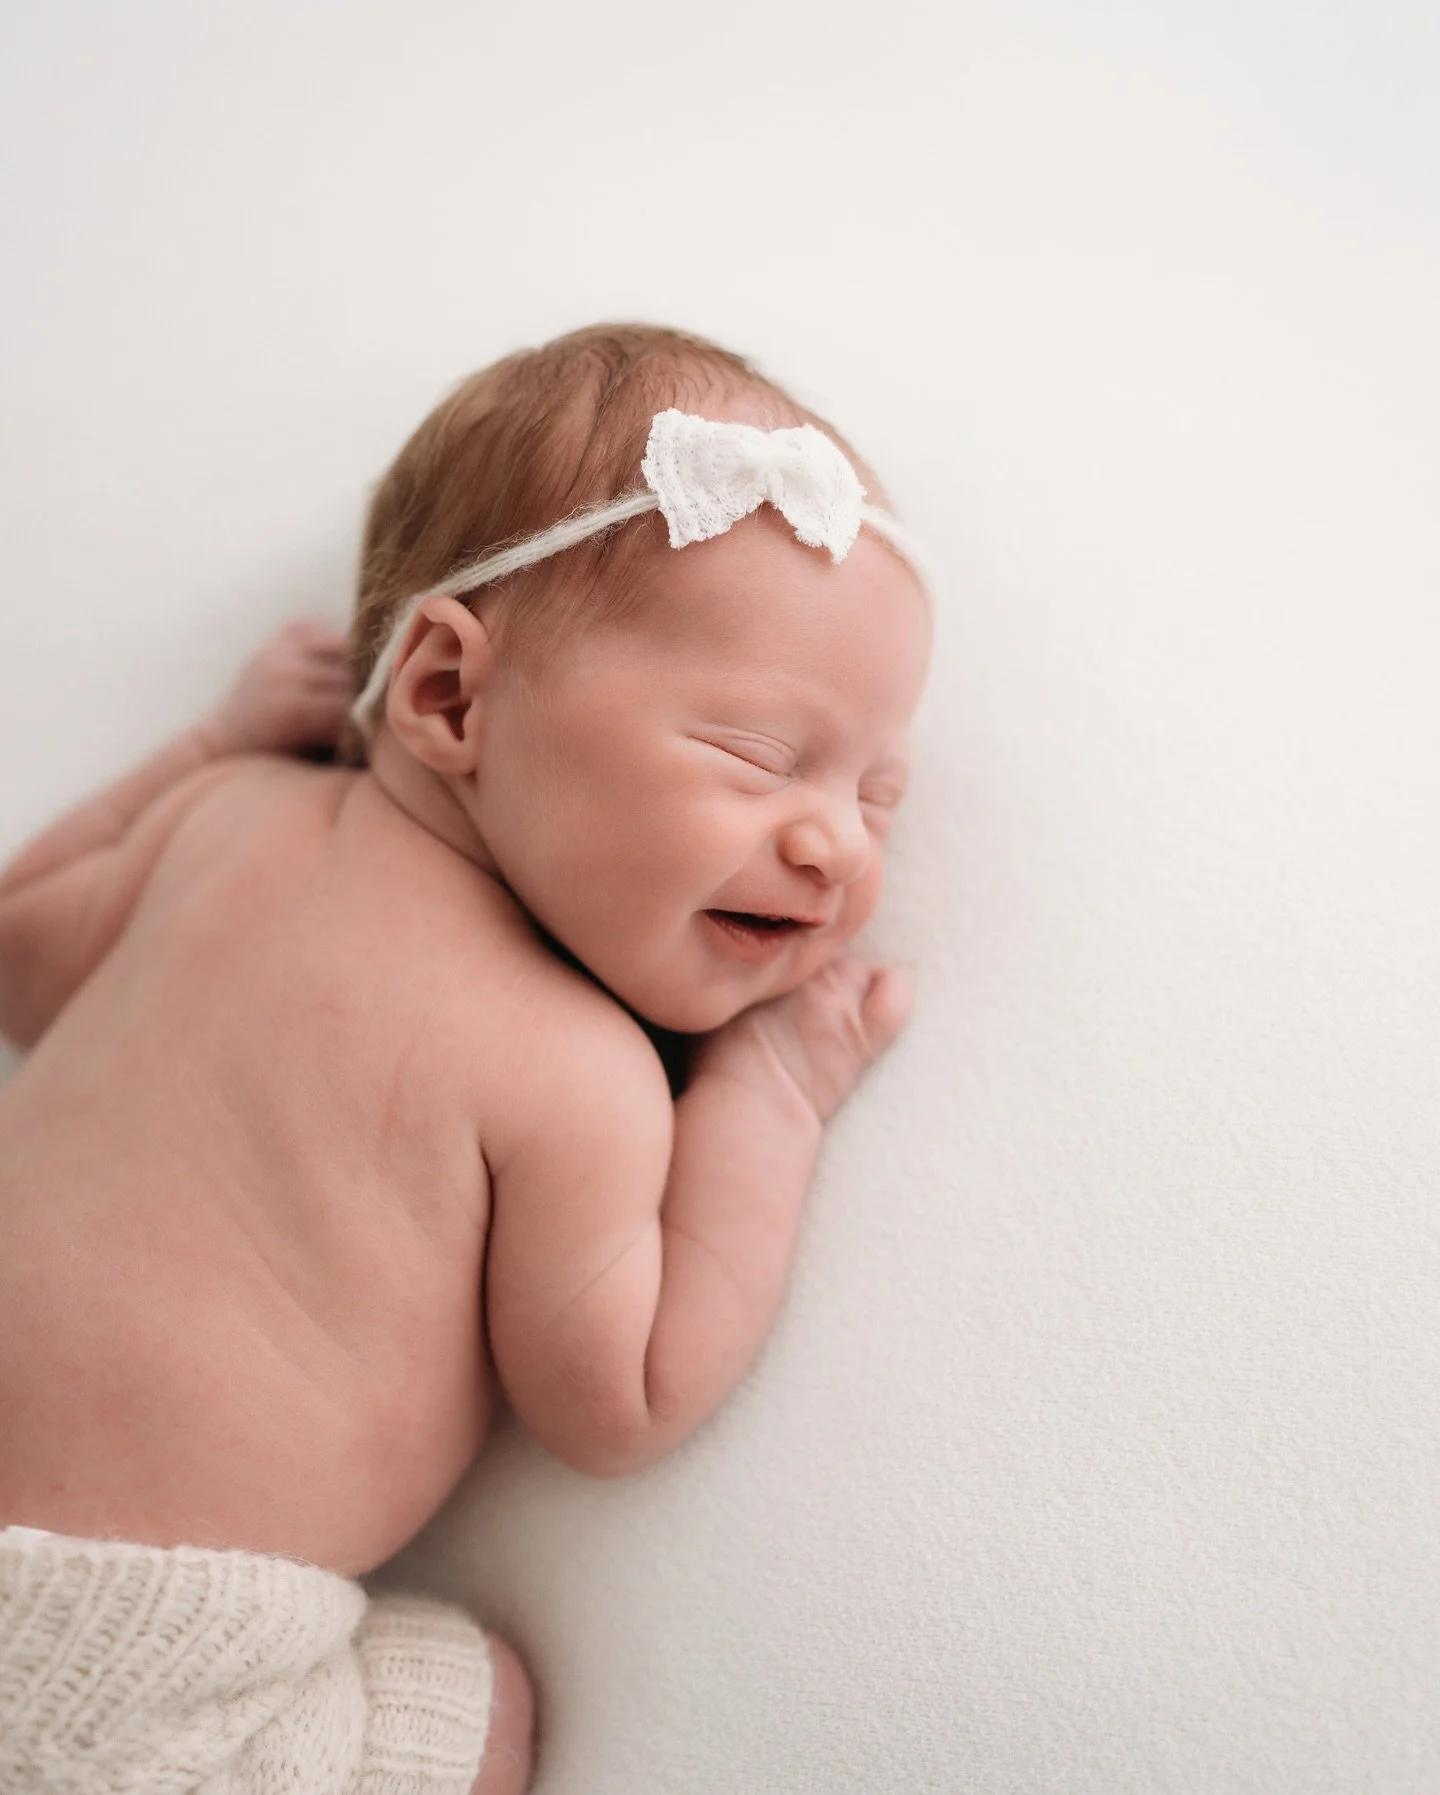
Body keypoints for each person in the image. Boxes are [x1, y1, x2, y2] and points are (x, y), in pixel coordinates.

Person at [0, 323, 931, 1793]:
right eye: (759, 754)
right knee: (471, 1697)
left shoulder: (221, 821)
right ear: (445, 693)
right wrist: (772, 1098)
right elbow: (619, 1396)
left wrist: (205, 743)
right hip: (134, 1672)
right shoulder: (573, 1073)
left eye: (881, 793)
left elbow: (16, 952)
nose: (837, 841)